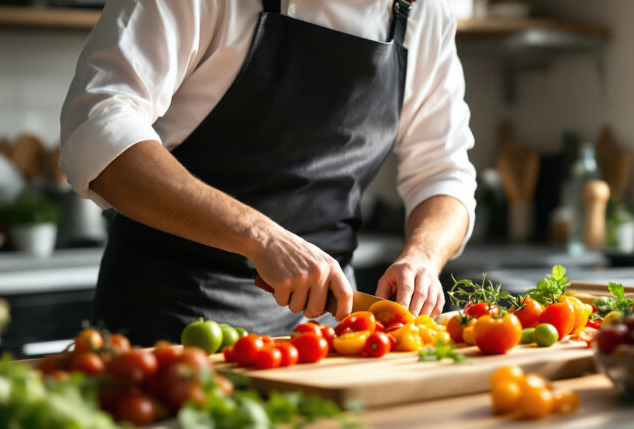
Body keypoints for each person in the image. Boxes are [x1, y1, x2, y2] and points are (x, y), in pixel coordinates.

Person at [59, 0, 476, 346]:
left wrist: (423, 256)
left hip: (323, 332)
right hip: (171, 322)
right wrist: (261, 236)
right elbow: (97, 127)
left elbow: (444, 173)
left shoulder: (425, 13)